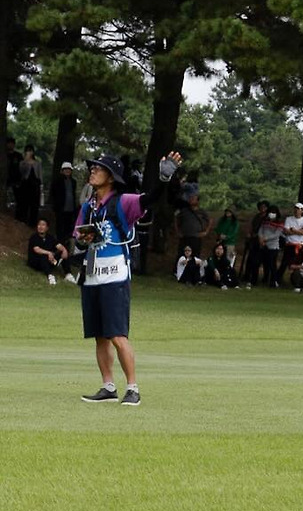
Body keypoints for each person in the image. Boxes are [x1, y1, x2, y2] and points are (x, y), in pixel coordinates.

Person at [77, 151, 182, 406]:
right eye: (92, 168)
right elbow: (79, 237)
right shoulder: (87, 207)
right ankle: (108, 386)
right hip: (91, 276)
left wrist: (164, 179)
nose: (92, 171)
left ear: (111, 177)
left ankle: (133, 388)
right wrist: (84, 238)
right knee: (99, 335)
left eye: (98, 169)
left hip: (115, 275)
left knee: (117, 334)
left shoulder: (123, 202)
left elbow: (150, 199)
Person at [27, 217, 73, 284]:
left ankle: (68, 274)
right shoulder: (34, 237)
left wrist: (64, 250)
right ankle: (50, 276)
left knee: (63, 253)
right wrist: (49, 253)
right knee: (43, 256)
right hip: (36, 262)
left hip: (49, 261)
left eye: (43, 225)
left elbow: (59, 246)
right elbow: (37, 249)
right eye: (39, 225)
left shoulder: (50, 237)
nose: (41, 227)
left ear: (47, 228)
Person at [174, 192, 210, 259]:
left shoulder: (202, 211)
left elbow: (209, 220)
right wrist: (178, 231)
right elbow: (176, 219)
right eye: (190, 198)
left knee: (195, 256)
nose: (191, 200)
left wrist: (206, 231)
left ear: (197, 201)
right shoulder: (184, 211)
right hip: (184, 237)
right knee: (182, 256)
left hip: (196, 237)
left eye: (193, 199)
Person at [256, 206, 285, 288]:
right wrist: (260, 238)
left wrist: (265, 239)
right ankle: (264, 279)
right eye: (270, 212)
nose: (271, 214)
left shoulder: (280, 223)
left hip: (273, 246)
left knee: (272, 264)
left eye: (273, 212)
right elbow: (260, 230)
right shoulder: (265, 222)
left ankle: (273, 281)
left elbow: (276, 234)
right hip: (263, 245)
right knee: (264, 263)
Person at [51, 161, 79, 243]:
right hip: (60, 207)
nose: (67, 171)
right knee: (60, 225)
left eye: (69, 169)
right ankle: (59, 241)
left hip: (70, 207)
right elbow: (53, 194)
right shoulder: (57, 181)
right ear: (62, 170)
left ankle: (67, 241)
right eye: (65, 169)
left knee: (68, 225)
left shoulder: (73, 182)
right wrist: (55, 205)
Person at [243, 200, 270, 286]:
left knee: (259, 261)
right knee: (250, 259)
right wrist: (249, 234)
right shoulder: (257, 216)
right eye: (261, 207)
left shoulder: (267, 218)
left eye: (264, 207)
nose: (262, 209)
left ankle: (258, 278)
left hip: (262, 241)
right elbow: (252, 226)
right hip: (253, 241)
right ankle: (247, 276)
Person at [15, 144, 42, 227]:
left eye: (30, 151)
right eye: (27, 151)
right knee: (24, 203)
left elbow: (40, 175)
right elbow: (21, 172)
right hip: (25, 185)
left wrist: (41, 185)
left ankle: (32, 223)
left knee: (34, 205)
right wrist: (26, 161)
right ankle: (23, 220)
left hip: (35, 185)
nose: (29, 153)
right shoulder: (22, 163)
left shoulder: (37, 163)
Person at [282, 202, 303, 276]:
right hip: (290, 244)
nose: (297, 210)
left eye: (299, 209)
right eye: (296, 208)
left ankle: (297, 279)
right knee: (285, 263)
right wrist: (298, 231)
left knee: (298, 263)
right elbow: (286, 231)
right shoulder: (288, 219)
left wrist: (293, 230)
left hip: (300, 245)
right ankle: (277, 280)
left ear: (302, 211)